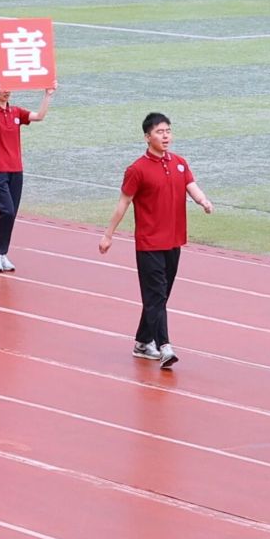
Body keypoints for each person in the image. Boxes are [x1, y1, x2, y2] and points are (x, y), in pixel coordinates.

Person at [98, 112, 213, 369]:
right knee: (157, 295)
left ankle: (142, 342)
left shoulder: (179, 163)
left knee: (159, 297)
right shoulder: (137, 170)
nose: (165, 136)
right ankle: (165, 347)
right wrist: (108, 234)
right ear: (147, 137)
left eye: (168, 131)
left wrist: (203, 201)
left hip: (174, 241)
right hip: (149, 243)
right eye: (160, 132)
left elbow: (191, 185)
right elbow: (123, 203)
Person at [0, 81, 50, 271]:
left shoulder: (16, 112)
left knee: (11, 214)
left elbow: (39, 116)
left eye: (9, 88)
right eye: (3, 88)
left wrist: (48, 95)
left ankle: (2, 254)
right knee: (7, 211)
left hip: (16, 170)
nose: (7, 91)